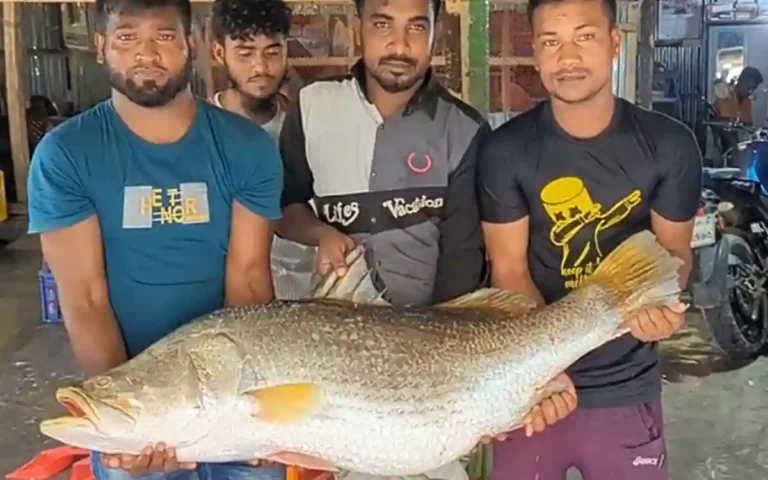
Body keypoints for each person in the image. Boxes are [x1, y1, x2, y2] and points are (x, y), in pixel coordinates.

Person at [277, 0, 576, 478]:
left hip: (432, 373)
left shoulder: (464, 130)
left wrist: (460, 391)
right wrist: (320, 233)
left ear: (436, 32)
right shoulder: (312, 108)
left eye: (416, 27)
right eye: (383, 25)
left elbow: (460, 271)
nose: (399, 45)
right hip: (334, 367)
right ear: (359, 27)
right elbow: (286, 206)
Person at [26, 0, 286, 479]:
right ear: (101, 47)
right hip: (133, 394)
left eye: (164, 37)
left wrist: (251, 414)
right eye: (127, 37)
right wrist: (134, 421)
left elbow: (249, 281)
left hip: (233, 392)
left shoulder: (247, 147)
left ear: (191, 45)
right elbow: (85, 299)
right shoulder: (65, 155)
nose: (146, 54)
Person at [477, 0, 701, 478]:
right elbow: (509, 269)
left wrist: (662, 306)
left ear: (615, 42)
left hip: (626, 388)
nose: (568, 57)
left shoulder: (670, 145)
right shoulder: (505, 151)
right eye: (551, 41)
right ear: (535, 53)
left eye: (585, 36)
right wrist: (544, 371)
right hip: (532, 391)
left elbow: (675, 255)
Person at [209, 0, 317, 301]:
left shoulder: (309, 125)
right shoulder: (199, 132)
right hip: (230, 304)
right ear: (219, 53)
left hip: (308, 299)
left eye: (272, 52)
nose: (260, 67)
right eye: (245, 53)